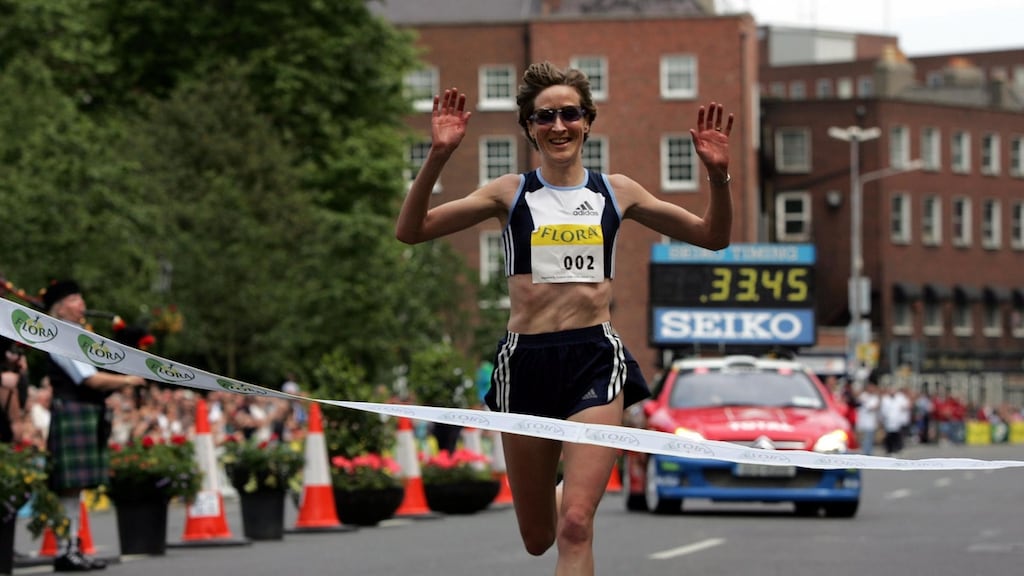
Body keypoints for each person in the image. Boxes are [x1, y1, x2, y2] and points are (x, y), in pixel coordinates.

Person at [395, 61, 734, 576]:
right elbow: (411, 230)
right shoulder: (508, 193)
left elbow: (713, 236)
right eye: (544, 117)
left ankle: (575, 492)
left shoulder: (617, 192)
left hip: (594, 360)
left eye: (569, 114)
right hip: (525, 363)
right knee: (538, 538)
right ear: (529, 128)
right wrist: (439, 155)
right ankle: (561, 490)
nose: (558, 126)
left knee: (576, 524)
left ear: (588, 121)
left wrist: (716, 175)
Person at [42, 280, 146, 572]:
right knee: (69, 489)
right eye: (75, 299)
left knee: (75, 490)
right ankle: (66, 550)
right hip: (73, 411)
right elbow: (89, 379)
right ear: (60, 306)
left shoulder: (75, 335)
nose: (82, 305)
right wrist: (127, 379)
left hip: (85, 412)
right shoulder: (58, 337)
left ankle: (71, 548)